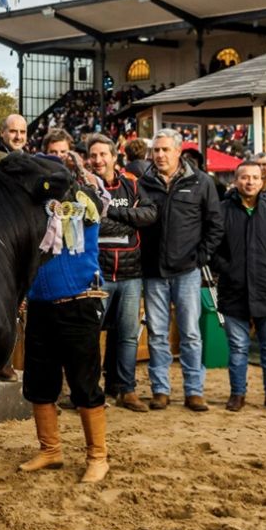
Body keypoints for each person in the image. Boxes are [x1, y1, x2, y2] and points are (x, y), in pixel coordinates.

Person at [19, 159, 109, 483]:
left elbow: (97, 201)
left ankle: (98, 456)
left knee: (84, 383)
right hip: (41, 305)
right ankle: (50, 450)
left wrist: (83, 179)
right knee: (39, 383)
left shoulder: (84, 201)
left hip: (79, 302)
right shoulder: (35, 209)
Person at [137, 129, 224, 412]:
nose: (160, 155)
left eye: (165, 150)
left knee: (190, 333)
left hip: (187, 270)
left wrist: (202, 256)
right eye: (156, 150)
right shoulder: (143, 183)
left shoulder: (201, 182)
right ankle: (160, 390)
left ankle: (193, 391)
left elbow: (215, 224)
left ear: (178, 152)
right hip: (153, 271)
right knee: (157, 334)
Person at [210, 162, 266, 412]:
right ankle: (237, 394)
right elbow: (211, 245)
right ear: (235, 181)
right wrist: (226, 268)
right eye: (244, 177)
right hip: (233, 290)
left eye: (255, 177)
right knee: (238, 347)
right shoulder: (222, 210)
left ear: (263, 181)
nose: (250, 182)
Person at [86, 134, 157, 412]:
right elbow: (89, 224)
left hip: (130, 274)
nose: (98, 160)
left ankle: (126, 390)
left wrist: (112, 215)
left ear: (115, 157)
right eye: (93, 155)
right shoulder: (84, 186)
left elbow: (150, 214)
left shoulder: (133, 183)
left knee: (128, 335)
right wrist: (128, 219)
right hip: (97, 274)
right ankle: (91, 389)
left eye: (104, 154)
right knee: (90, 335)